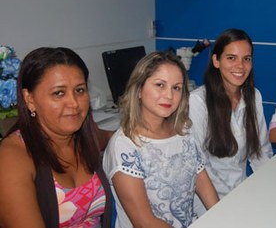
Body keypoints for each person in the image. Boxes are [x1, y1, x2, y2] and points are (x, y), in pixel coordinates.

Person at [102, 51, 219, 228]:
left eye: (176, 87)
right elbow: (144, 223)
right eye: (160, 85)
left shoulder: (182, 132)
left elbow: (201, 180)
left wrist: (222, 217)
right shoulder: (125, 146)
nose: (169, 96)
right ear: (139, 89)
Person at [0, 47, 112, 227]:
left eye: (80, 90)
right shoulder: (12, 158)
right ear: (29, 99)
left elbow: (114, 136)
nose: (74, 103)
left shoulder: (85, 135)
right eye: (59, 93)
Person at [189, 28, 273, 216]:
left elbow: (260, 153)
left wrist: (269, 189)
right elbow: (198, 167)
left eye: (247, 59)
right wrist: (223, 209)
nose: (240, 66)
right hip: (206, 201)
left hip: (240, 192)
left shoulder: (253, 97)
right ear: (216, 61)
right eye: (231, 58)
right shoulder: (198, 102)